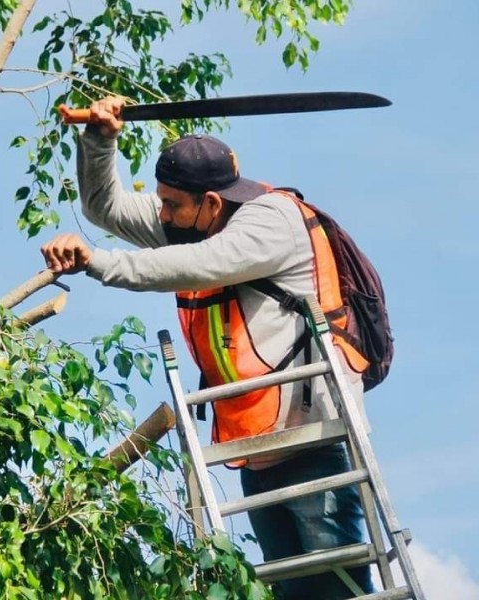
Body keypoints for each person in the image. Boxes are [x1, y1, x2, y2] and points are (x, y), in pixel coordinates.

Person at [40, 96, 375, 600]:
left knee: (338, 584)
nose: (163, 212)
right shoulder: (193, 218)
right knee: (290, 590)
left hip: (313, 437)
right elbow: (104, 208)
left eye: (172, 203)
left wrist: (98, 262)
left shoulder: (272, 221)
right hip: (258, 443)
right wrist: (99, 140)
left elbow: (200, 265)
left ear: (211, 203)